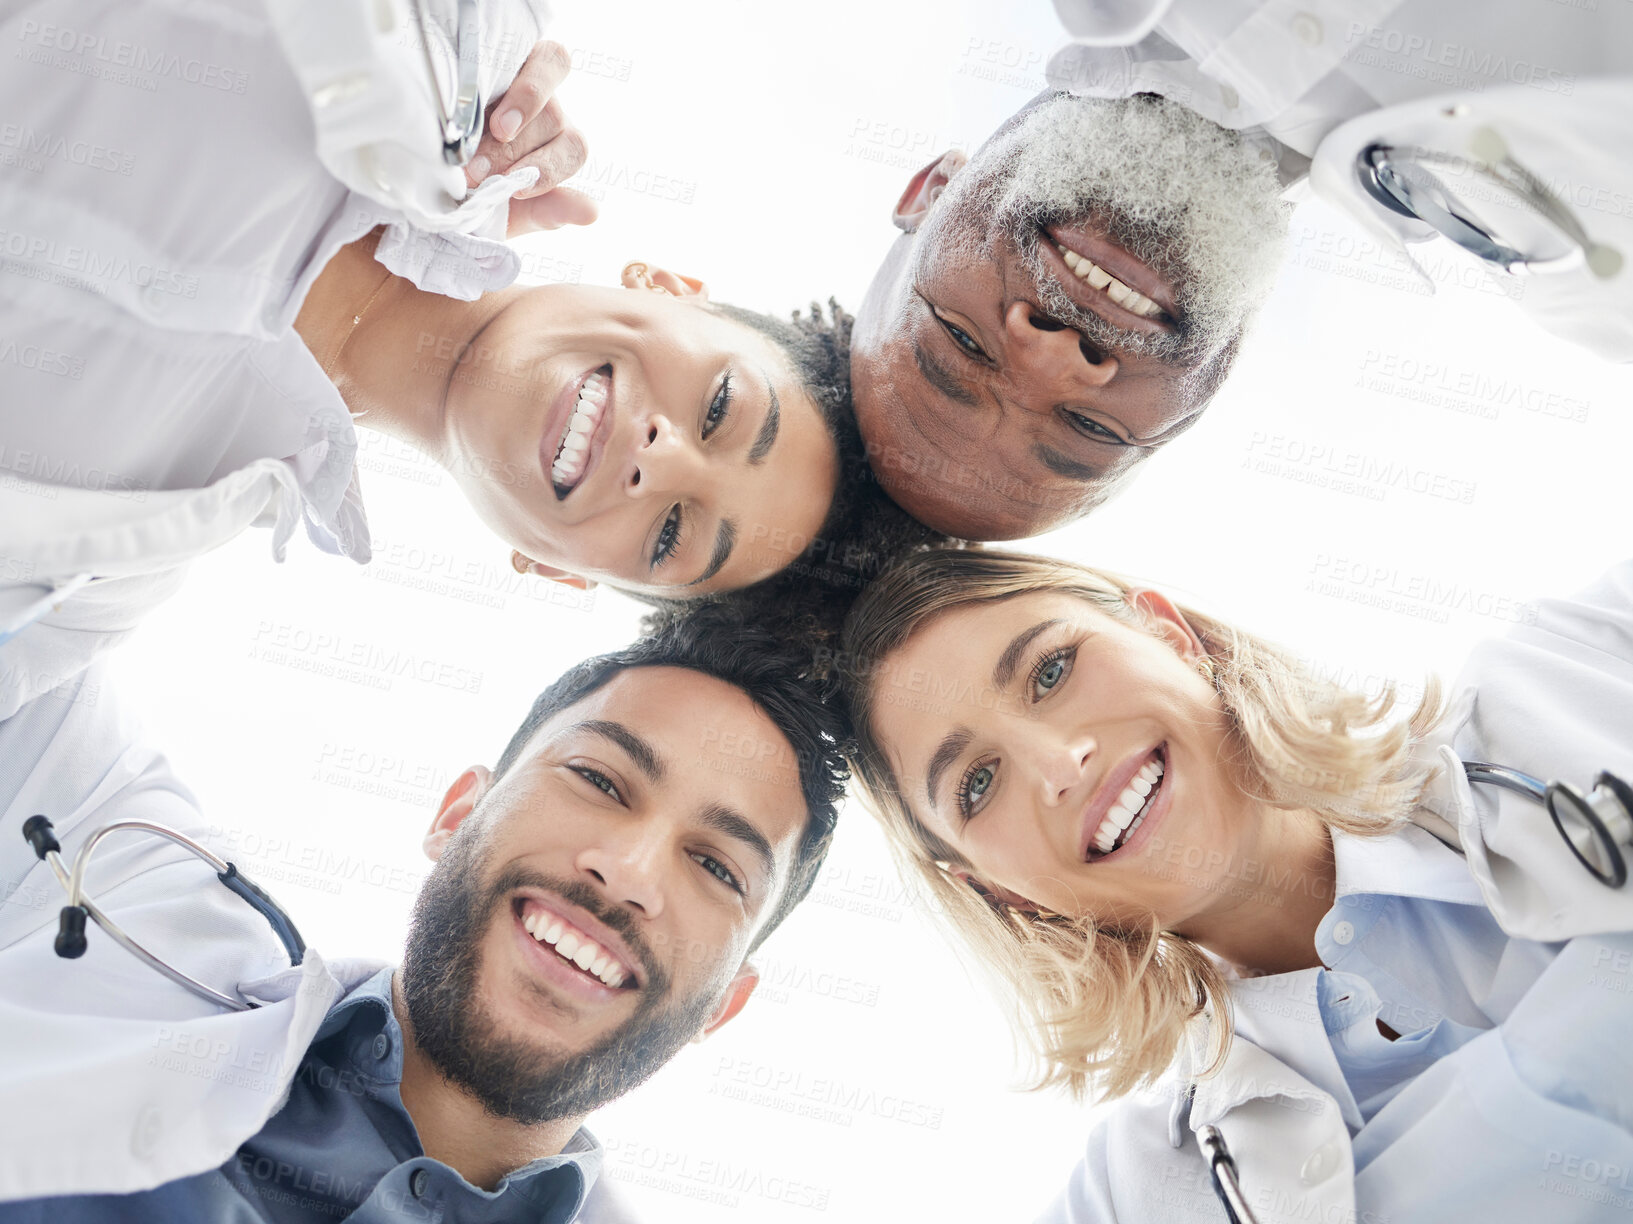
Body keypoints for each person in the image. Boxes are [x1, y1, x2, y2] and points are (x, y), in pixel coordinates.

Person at [0, 0, 869, 720]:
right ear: (672, 288)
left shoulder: (90, 591)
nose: (661, 460)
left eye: (675, 532)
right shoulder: (456, 51)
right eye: (720, 410)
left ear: (557, 570)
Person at [836, 547, 1633, 1222]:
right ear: (1001, 892)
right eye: (976, 784)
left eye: (1050, 670)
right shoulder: (1137, 1194)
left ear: (1170, 634)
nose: (1057, 764)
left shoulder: (1588, 659)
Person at [0, 605, 850, 1222]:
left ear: (726, 1006)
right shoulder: (117, 881)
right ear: (455, 815)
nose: (627, 871)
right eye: (598, 779)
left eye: (713, 866)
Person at [851, 2, 1633, 541]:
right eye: (1090, 428)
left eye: (958, 340)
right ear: (1201, 401)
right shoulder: (1595, 282)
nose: (1058, 359)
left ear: (931, 189)